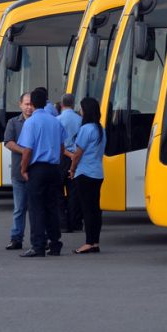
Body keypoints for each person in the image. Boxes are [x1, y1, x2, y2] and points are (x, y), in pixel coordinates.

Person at [17, 87, 67, 257]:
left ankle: (38, 245)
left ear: (33, 104)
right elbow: (62, 147)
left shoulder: (31, 122)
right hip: (53, 168)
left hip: (37, 168)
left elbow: (27, 150)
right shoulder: (56, 121)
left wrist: (23, 168)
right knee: (52, 206)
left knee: (36, 208)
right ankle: (55, 243)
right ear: (46, 102)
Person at [69, 97, 107, 254]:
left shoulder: (86, 129)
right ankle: (95, 242)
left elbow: (78, 153)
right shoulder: (100, 129)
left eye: (81, 108)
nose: (80, 110)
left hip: (84, 173)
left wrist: (72, 169)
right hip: (97, 173)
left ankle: (89, 243)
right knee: (95, 209)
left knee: (86, 209)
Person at [3, 92, 33, 250]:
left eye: (31, 104)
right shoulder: (13, 122)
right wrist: (24, 151)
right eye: (26, 104)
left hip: (35, 172)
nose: (29, 107)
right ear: (20, 104)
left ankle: (40, 238)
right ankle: (16, 238)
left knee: (37, 208)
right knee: (19, 207)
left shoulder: (38, 122)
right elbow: (8, 142)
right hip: (18, 171)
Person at [57, 93, 82, 232]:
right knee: (74, 192)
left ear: (61, 104)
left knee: (58, 191)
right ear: (73, 104)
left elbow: (57, 142)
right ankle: (75, 222)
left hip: (61, 158)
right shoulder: (80, 120)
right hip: (76, 158)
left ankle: (62, 223)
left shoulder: (57, 120)